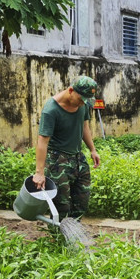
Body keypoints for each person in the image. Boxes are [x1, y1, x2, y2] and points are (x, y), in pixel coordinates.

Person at [32, 76, 100, 220]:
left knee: (82, 201)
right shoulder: (51, 110)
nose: (83, 104)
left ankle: (74, 234)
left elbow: (84, 126)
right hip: (57, 160)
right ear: (70, 91)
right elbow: (42, 142)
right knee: (62, 205)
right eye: (81, 100)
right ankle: (58, 237)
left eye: (86, 101)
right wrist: (39, 172)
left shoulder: (83, 104)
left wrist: (92, 149)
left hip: (78, 158)